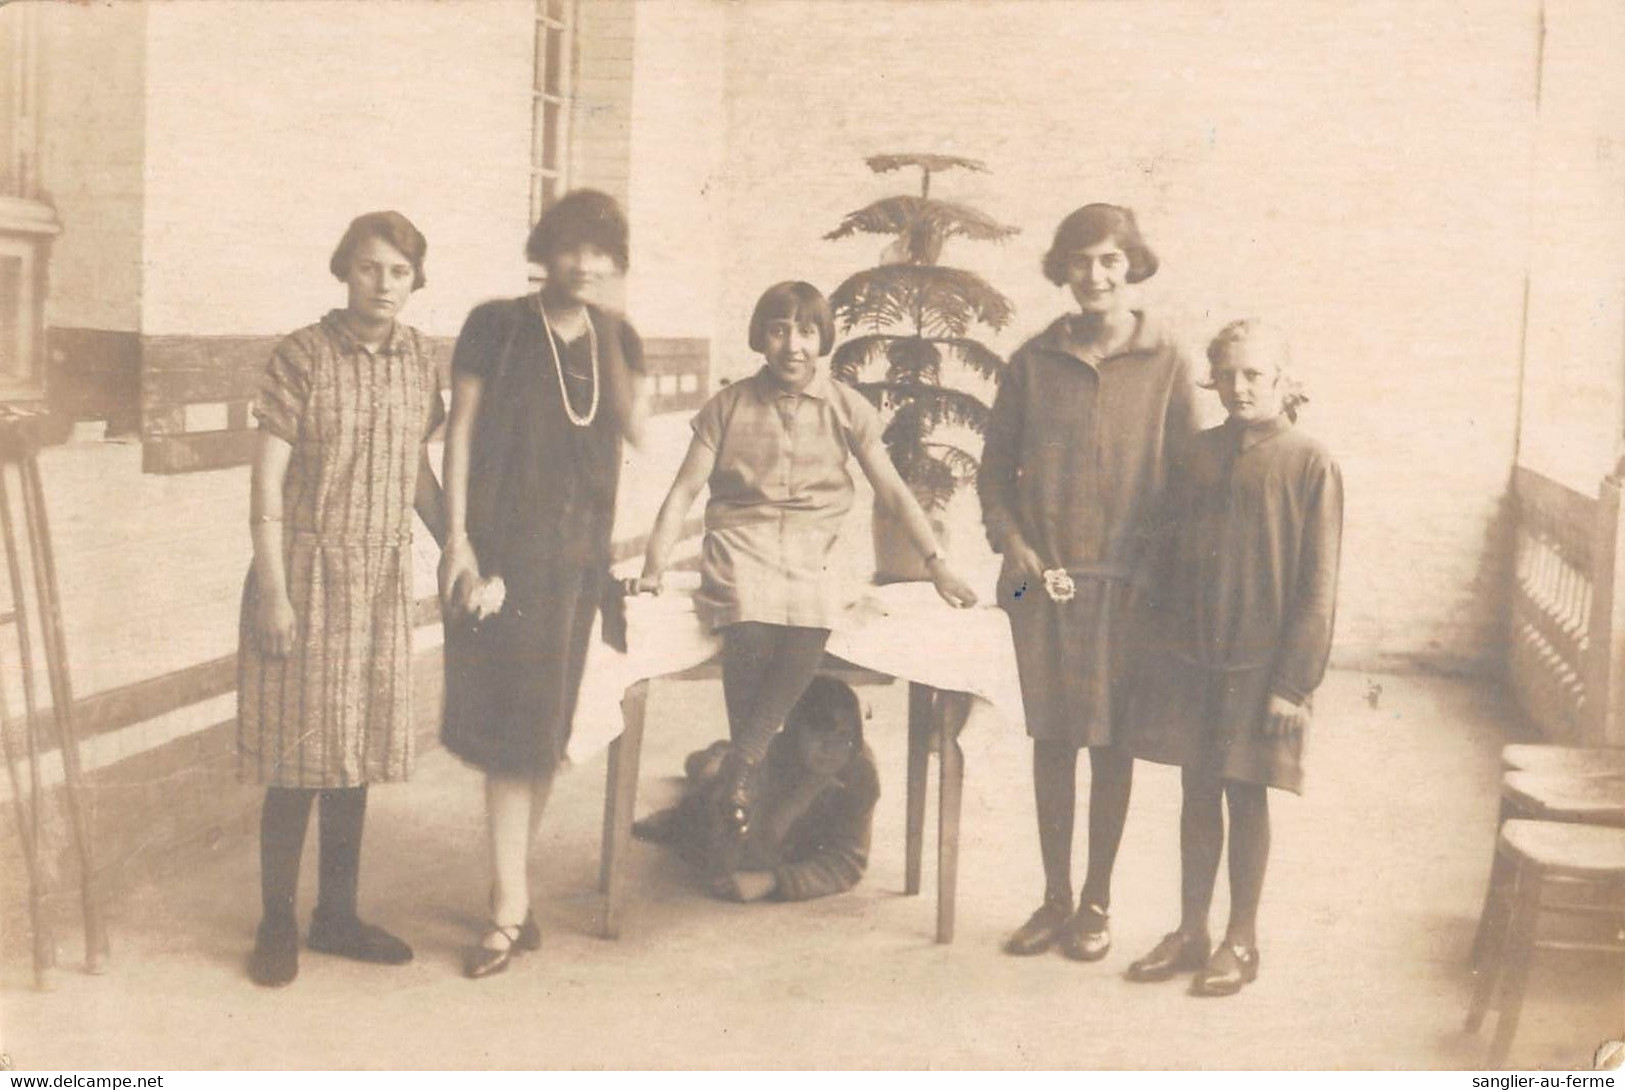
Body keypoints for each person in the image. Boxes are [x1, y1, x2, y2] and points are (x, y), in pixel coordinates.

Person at [637, 280, 977, 840]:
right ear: (760, 337)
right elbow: (683, 493)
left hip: (810, 545)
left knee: (811, 615)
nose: (792, 345)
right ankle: (746, 781)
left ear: (821, 339)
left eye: (805, 330)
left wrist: (936, 562)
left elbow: (892, 491)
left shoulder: (847, 407)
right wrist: (652, 568)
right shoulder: (727, 406)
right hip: (740, 539)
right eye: (778, 330)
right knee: (747, 621)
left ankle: (739, 771)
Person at [437, 189, 649, 979]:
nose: (586, 264)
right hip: (501, 555)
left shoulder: (614, 337)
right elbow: (458, 435)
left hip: (577, 565)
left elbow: (636, 435)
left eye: (601, 252)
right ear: (544, 252)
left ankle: (511, 899)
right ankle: (506, 911)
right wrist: (457, 544)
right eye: (571, 248)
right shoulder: (494, 324)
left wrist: (622, 345)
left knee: (549, 733)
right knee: (508, 737)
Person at [979, 203, 1199, 962]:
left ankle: (1096, 902)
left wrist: (1158, 573)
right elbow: (992, 476)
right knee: (1052, 739)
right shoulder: (1031, 361)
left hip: (1127, 589)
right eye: (1081, 261)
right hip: (1040, 584)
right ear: (1062, 269)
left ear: (1131, 264)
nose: (1096, 275)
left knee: (1112, 743)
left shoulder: (1166, 358)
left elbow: (1186, 480)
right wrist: (1013, 546)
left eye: (1110, 260)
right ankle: (1052, 899)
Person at [237, 210, 446, 987]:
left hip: (379, 583)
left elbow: (416, 474)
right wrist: (274, 592)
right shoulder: (302, 356)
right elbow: (263, 491)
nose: (384, 284)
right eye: (368, 268)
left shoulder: (421, 359)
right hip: (304, 573)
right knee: (297, 762)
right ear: (344, 270)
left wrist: (459, 548)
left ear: (415, 278)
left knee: (353, 756)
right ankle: (276, 925)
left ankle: (337, 915)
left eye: (398, 271)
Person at [1123, 319, 1342, 996]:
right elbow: (1162, 554)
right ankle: (1190, 929)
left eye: (1255, 374)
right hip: (1193, 660)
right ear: (1212, 379)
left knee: (1245, 796)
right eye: (1228, 374)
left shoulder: (1309, 463)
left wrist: (1292, 685)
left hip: (1260, 669)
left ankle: (1240, 939)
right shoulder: (1194, 454)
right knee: (1195, 793)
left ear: (1283, 380)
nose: (1240, 387)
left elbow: (1318, 584)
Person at [633, 676, 880, 902]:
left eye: (843, 736)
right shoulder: (771, 758)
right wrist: (802, 796)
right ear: (795, 732)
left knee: (721, 765)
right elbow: (741, 857)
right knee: (712, 781)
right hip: (725, 797)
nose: (831, 747)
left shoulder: (859, 774)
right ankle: (710, 762)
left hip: (794, 844)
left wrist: (774, 881)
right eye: (819, 733)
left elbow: (848, 862)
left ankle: (717, 755)